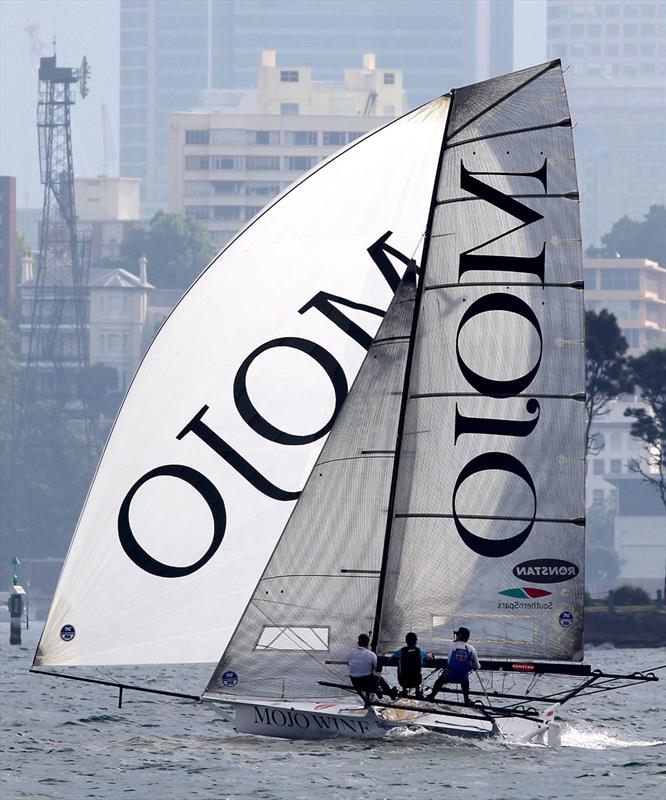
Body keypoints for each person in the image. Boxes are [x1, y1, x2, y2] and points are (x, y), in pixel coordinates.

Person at [425, 627, 480, 705]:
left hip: (450, 676)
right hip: (462, 678)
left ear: (460, 636)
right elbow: (477, 666)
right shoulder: (471, 649)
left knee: (439, 681)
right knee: (465, 681)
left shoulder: (452, 646)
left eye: (457, 635)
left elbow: (449, 661)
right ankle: (466, 700)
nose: (456, 636)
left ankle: (432, 696)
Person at [347, 633, 398, 701]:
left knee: (370, 679)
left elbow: (348, 663)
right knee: (380, 679)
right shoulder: (371, 654)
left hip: (355, 684)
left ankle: (376, 690)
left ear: (358, 643)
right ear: (368, 643)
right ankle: (391, 695)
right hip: (368, 684)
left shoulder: (351, 652)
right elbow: (377, 668)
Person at [393, 632, 432, 699]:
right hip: (416, 681)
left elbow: (391, 658)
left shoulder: (401, 651)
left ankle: (404, 690)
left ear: (406, 641)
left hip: (403, 681)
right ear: (416, 642)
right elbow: (429, 657)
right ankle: (417, 691)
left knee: (400, 666)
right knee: (416, 669)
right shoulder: (419, 652)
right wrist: (430, 654)